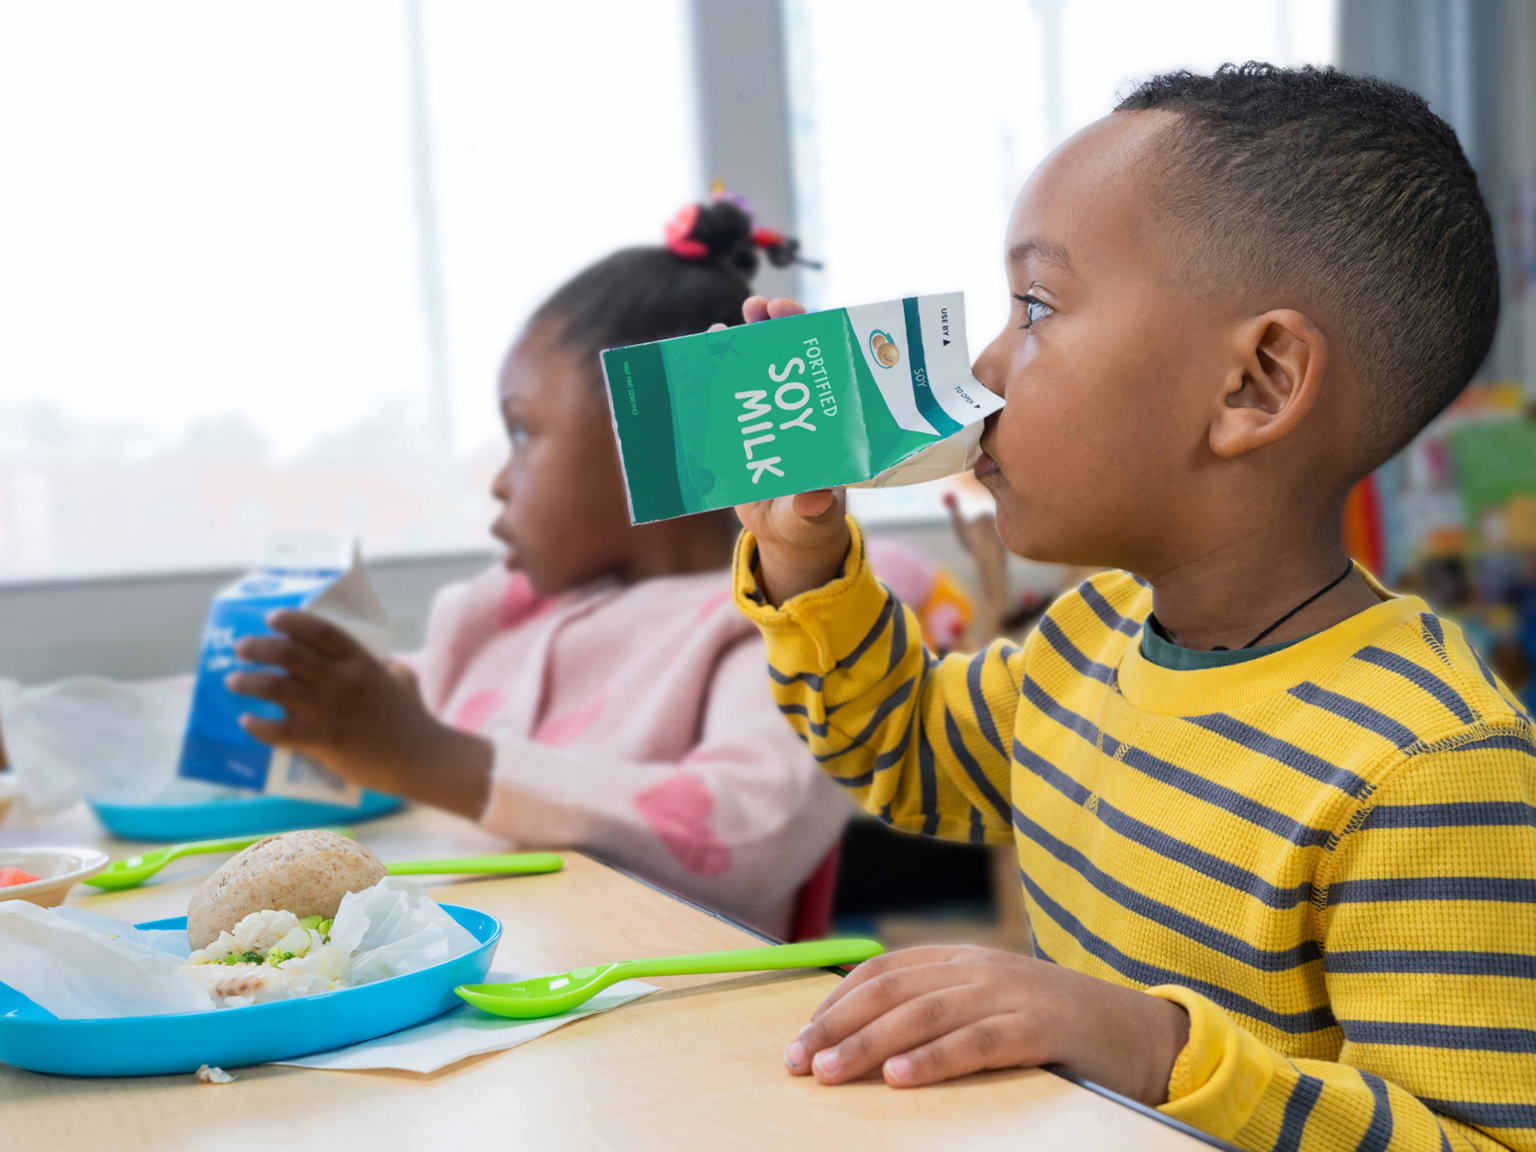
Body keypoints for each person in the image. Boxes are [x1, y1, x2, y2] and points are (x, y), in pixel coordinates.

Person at [733, 66, 1535, 1150]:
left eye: (1037, 309)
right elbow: (903, 752)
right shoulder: (1091, 632)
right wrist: (808, 561)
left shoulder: (1430, 768)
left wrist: (1156, 1051)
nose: (983, 365)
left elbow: (1479, 1142)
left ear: (1255, 383)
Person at [226, 196, 848, 937]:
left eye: (523, 430)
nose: (498, 479)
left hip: (654, 1014)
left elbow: (751, 835)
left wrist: (431, 757)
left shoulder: (784, 623)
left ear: (655, 444)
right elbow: (419, 693)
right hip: (484, 983)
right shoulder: (514, 612)